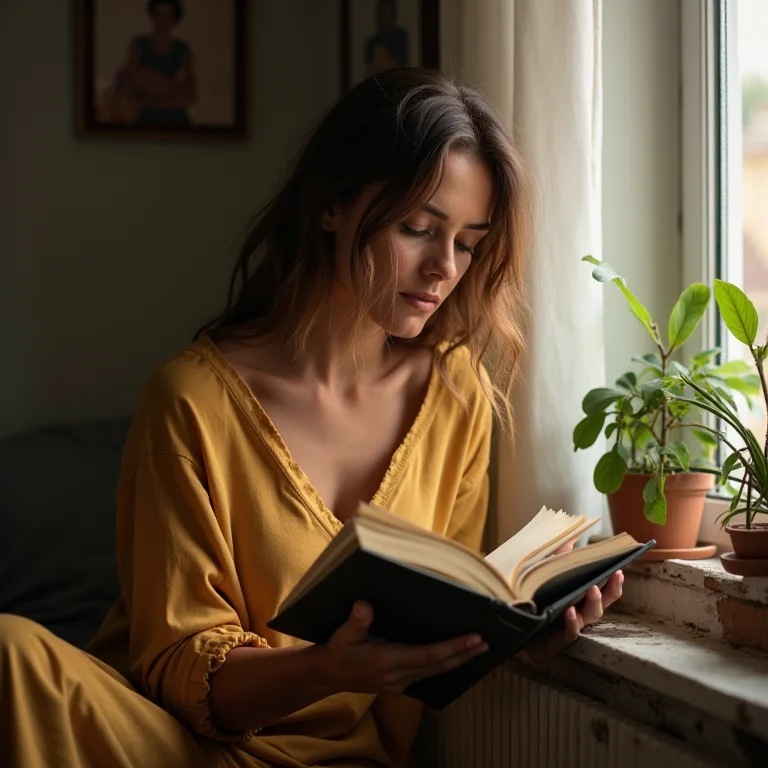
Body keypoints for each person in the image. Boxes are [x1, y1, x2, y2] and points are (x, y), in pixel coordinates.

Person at [0, 68, 623, 767]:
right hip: (175, 748)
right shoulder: (191, 400)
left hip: (347, 760)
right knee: (10, 654)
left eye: (467, 242)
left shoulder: (457, 393)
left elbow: (436, 629)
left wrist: (518, 636)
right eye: (418, 228)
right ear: (331, 205)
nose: (444, 267)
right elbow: (181, 670)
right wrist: (324, 668)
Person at [108, 0, 197, 126]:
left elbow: (190, 94)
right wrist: (168, 88)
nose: (163, 20)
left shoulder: (182, 48)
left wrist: (159, 95)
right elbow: (131, 80)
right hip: (146, 115)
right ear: (153, 16)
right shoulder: (140, 43)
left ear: (175, 19)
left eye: (168, 15)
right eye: (159, 14)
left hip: (175, 116)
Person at [365, 0, 409, 76]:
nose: (384, 16)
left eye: (386, 13)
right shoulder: (373, 41)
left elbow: (400, 63)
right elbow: (370, 68)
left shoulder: (400, 36)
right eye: (382, 13)